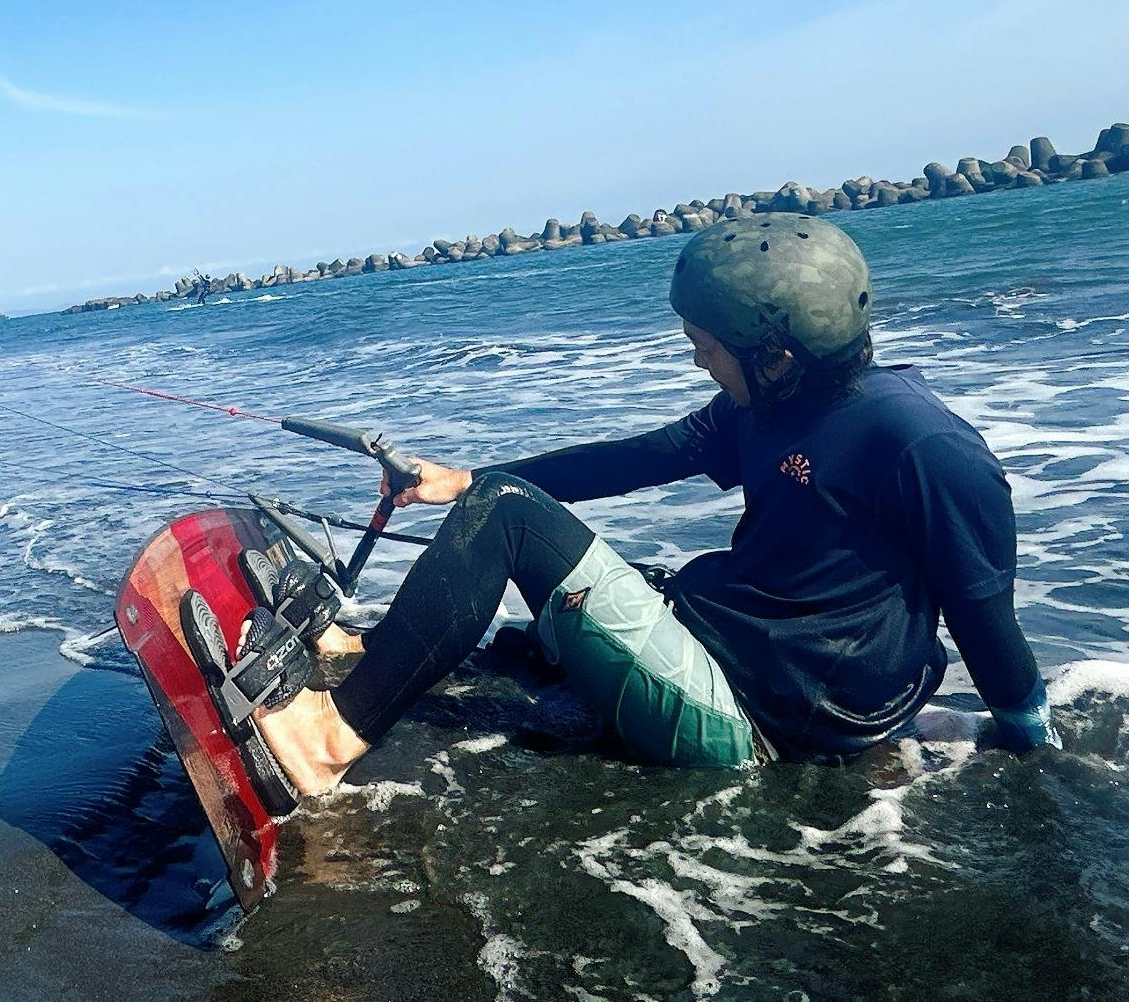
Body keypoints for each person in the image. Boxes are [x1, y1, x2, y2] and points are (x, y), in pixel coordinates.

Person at [243, 213, 1058, 796]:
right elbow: (643, 456)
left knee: (508, 516)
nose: (698, 361)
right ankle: (368, 652)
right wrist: (465, 476)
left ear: (773, 355)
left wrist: (1030, 741)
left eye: (707, 348)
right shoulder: (768, 403)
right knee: (507, 513)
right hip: (732, 645)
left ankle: (327, 739)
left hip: (758, 715)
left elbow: (983, 612)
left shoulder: (922, 445)